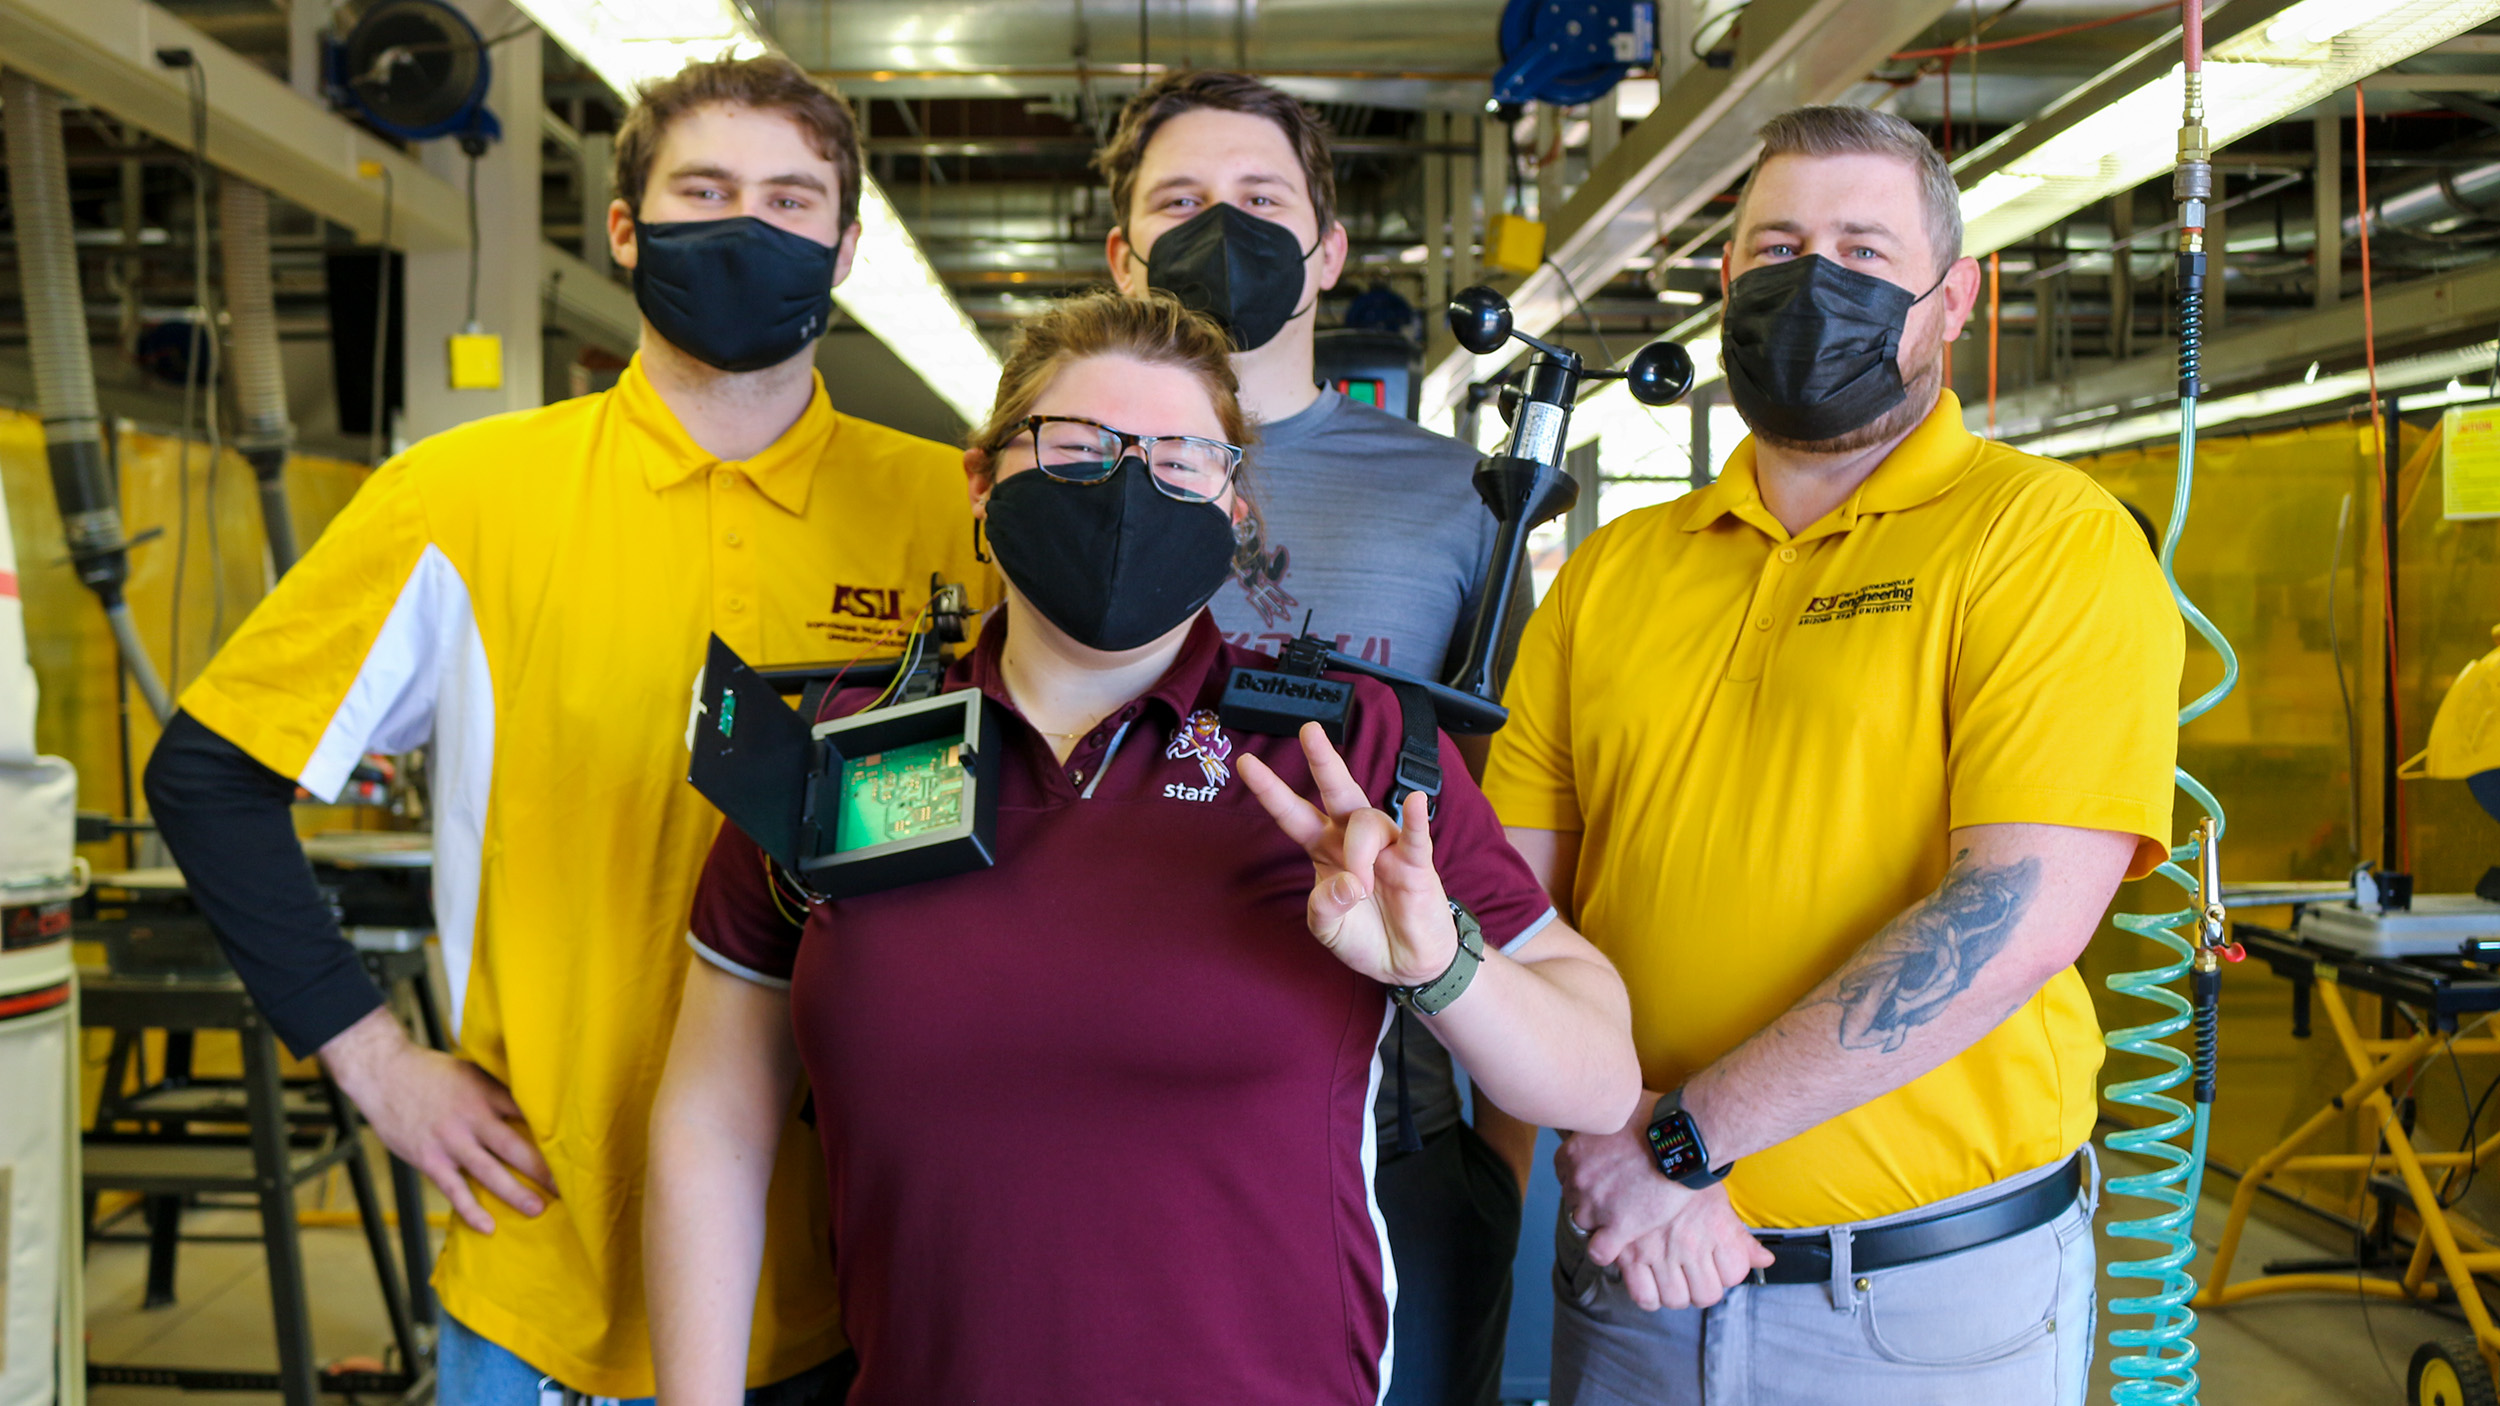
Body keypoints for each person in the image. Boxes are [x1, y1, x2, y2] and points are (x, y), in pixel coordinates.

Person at [142, 55, 986, 1406]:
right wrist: (373, 1058)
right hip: (553, 1260)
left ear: (845, 244)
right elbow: (210, 771)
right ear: (624, 227)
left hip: (875, 1257)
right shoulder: (470, 497)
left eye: (789, 198)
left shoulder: (952, 512)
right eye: (702, 191)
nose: (747, 225)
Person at [645, 289, 1641, 1406]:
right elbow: (713, 1122)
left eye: (1180, 462)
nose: (1128, 489)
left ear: (1236, 506)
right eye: (1074, 450)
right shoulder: (831, 750)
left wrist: (1442, 967)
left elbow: (1599, 1079)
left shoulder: (1347, 742)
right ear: (981, 482)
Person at [1482, 105, 2186, 1405]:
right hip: (1630, 1269)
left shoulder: (2046, 542)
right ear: (1727, 281)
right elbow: (1514, 904)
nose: (1816, 282)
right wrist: (1616, 1150)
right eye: (1776, 248)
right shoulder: (1614, 571)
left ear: (1951, 297)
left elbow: (2013, 913)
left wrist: (1686, 1143)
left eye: (1864, 250)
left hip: (1912, 1312)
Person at [1096, 71, 1534, 1404]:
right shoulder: (1054, 479)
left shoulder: (1460, 497)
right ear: (1121, 253)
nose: (1218, 226)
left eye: (1259, 200)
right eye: (1177, 202)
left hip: (1390, 1122)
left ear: (1329, 249)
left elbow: (1516, 826)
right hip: (1111, 1090)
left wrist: (1503, 1157)